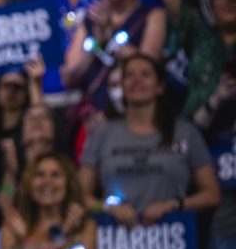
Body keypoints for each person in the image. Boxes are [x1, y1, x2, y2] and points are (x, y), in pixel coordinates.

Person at [79, 54, 220, 227]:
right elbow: (79, 196)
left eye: (145, 74)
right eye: (129, 75)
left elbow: (212, 194)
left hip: (173, 240)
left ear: (160, 86)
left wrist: (175, 204)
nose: (137, 80)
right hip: (116, 242)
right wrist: (108, 207)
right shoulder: (102, 134)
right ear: (122, 85)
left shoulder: (185, 132)